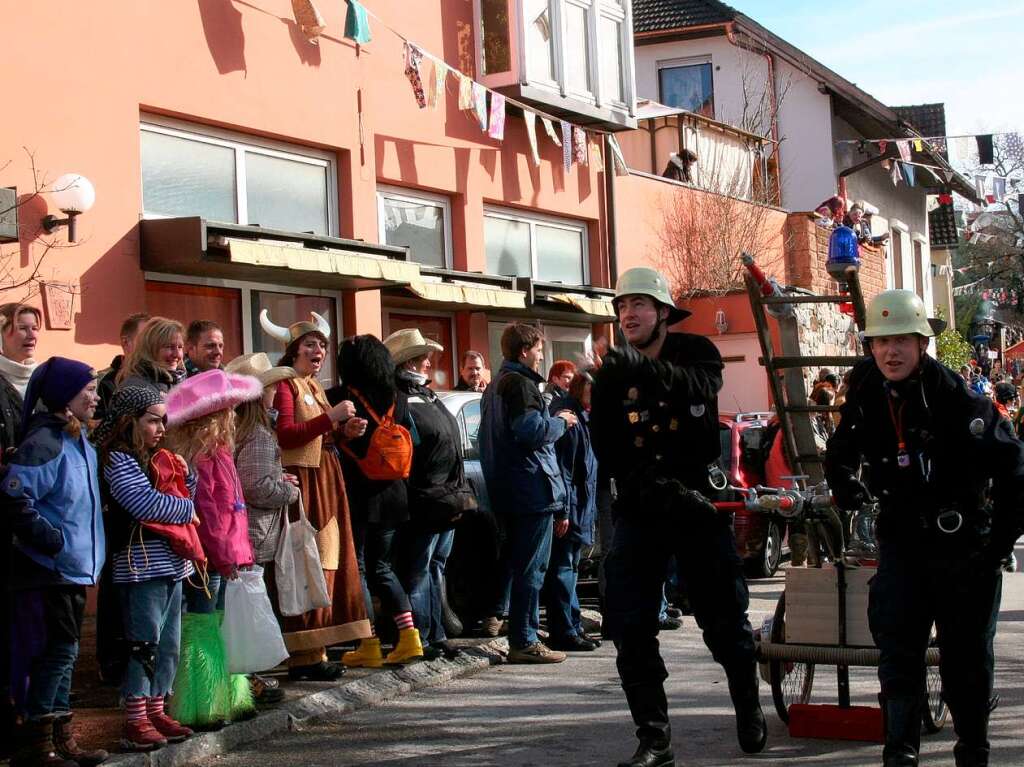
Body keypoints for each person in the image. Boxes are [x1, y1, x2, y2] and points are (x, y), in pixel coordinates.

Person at [825, 290, 1024, 767]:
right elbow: (840, 450)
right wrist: (846, 484)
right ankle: (900, 755)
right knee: (897, 660)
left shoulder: (959, 399)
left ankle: (972, 751)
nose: (891, 352)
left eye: (901, 341)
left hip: (962, 549)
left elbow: (1015, 468)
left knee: (966, 665)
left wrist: (997, 546)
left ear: (921, 342)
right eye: (881, 341)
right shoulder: (867, 390)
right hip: (902, 545)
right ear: (870, 346)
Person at [590, 267, 766, 767]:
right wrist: (646, 483)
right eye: (622, 307)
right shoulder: (611, 375)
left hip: (696, 504)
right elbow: (606, 445)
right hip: (644, 504)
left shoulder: (696, 353)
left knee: (723, 618)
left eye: (639, 305)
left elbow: (699, 389)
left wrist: (641, 370)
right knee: (629, 623)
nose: (628, 315)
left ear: (663, 312)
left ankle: (747, 702)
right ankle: (654, 738)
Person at [3, 357, 108, 767]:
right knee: (56, 652)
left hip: (71, 567)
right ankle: (35, 743)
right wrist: (53, 540)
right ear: (66, 395)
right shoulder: (44, 442)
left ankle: (63, 739)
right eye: (89, 390)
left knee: (65, 651)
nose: (96, 398)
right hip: (47, 570)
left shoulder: (80, 440)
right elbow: (14, 495)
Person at [260, 310, 372, 680]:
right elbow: (287, 435)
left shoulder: (314, 386)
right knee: (305, 559)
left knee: (328, 560)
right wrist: (332, 418)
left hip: (326, 477)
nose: (319, 350)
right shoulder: (288, 386)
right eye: (311, 344)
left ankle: (318, 647)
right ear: (294, 351)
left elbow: (320, 435)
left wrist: (344, 432)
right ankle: (302, 652)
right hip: (302, 483)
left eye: (322, 345)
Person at [93, 386, 197, 751]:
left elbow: (183, 494)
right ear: (129, 421)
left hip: (172, 564)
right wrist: (186, 511)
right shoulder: (119, 459)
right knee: (144, 643)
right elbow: (142, 503)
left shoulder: (160, 457)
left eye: (162, 421)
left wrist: (188, 478)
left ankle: (158, 708)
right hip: (139, 565)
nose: (160, 428)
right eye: (153, 420)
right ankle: (136, 716)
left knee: (169, 644)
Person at [163, 369, 263, 729]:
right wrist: (228, 558)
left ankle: (228, 698)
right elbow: (212, 516)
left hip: (223, 558)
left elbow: (232, 512)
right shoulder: (205, 461)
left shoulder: (217, 455)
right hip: (211, 559)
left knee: (219, 626)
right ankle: (203, 704)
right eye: (228, 411)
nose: (234, 417)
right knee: (205, 626)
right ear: (213, 419)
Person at [480, 323, 575, 664]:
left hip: (510, 489)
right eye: (537, 348)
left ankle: (525, 631)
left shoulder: (495, 387)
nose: (541, 354)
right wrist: (562, 422)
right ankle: (525, 640)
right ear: (524, 351)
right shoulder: (520, 385)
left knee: (522, 565)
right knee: (532, 569)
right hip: (531, 490)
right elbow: (531, 432)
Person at [328, 334, 421, 667]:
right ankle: (410, 638)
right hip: (395, 495)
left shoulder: (339, 397)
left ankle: (368, 642)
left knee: (361, 569)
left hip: (360, 494)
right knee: (383, 567)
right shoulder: (399, 397)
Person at [389, 330, 476, 661]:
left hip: (447, 498)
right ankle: (422, 637)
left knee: (437, 566)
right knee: (419, 570)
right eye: (422, 356)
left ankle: (437, 634)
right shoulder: (398, 400)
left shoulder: (427, 396)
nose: (428, 361)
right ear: (407, 362)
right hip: (424, 499)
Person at [225, 352, 299, 704]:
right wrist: (289, 490)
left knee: (241, 608)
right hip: (254, 532)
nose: (276, 393)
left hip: (243, 533)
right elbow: (254, 485)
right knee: (249, 611)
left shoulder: (241, 430)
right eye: (271, 387)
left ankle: (245, 676)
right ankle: (248, 678)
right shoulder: (258, 434)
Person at [0, 303, 42, 757]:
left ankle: (33, 716)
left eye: (35, 329)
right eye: (23, 329)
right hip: (8, 517)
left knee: (31, 630)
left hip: (37, 521)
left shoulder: (42, 381)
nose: (31, 336)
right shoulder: (2, 385)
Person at [545, 368, 599, 652]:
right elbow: (564, 469)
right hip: (571, 505)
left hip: (580, 505)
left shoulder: (585, 417)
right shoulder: (569, 417)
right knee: (563, 569)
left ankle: (572, 625)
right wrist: (563, 510)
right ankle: (564, 629)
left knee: (571, 568)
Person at [96, 313, 150, 421]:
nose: (151, 345)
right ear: (126, 342)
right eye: (145, 339)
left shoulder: (166, 376)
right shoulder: (102, 381)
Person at [116, 317, 187, 393]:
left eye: (180, 347)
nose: (177, 354)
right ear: (149, 350)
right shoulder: (136, 388)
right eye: (169, 347)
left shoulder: (178, 379)